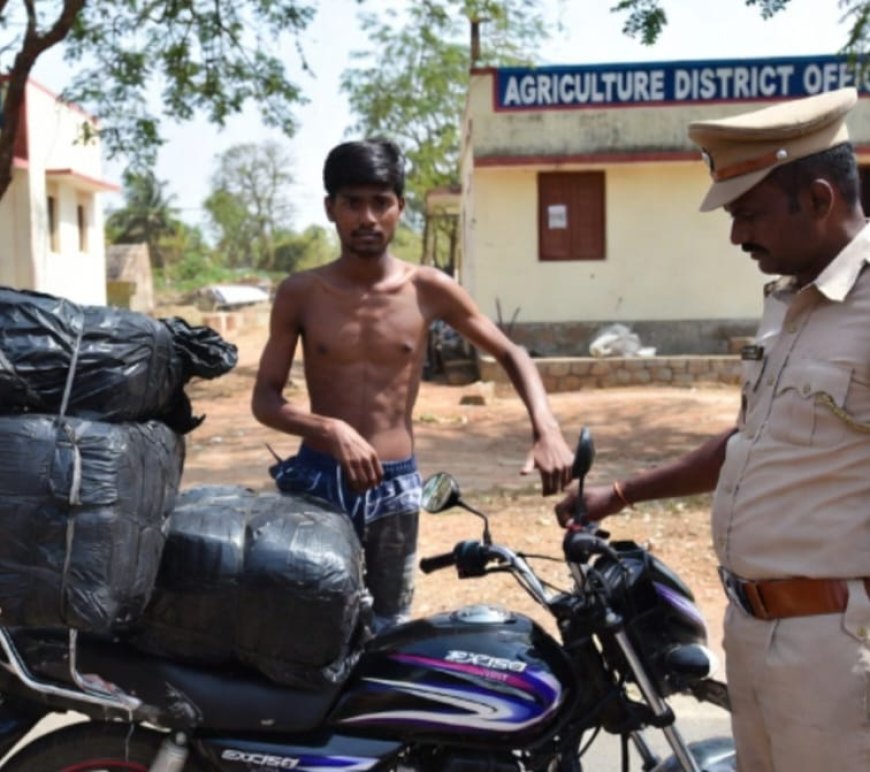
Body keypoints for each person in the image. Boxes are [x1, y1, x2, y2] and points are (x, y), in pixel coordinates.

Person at [556, 87, 870, 771]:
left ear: (818, 199)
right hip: (755, 633)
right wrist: (624, 492)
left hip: (839, 648)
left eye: (748, 213)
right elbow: (750, 440)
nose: (736, 236)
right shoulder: (790, 304)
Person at [252, 138, 574, 632]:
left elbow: (512, 353)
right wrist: (330, 430)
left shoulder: (428, 289)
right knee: (312, 625)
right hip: (319, 479)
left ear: (401, 208)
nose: (367, 217)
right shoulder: (301, 293)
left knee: (389, 627)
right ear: (329, 209)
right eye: (352, 202)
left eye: (381, 202)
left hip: (395, 486)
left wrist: (547, 428)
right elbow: (266, 400)